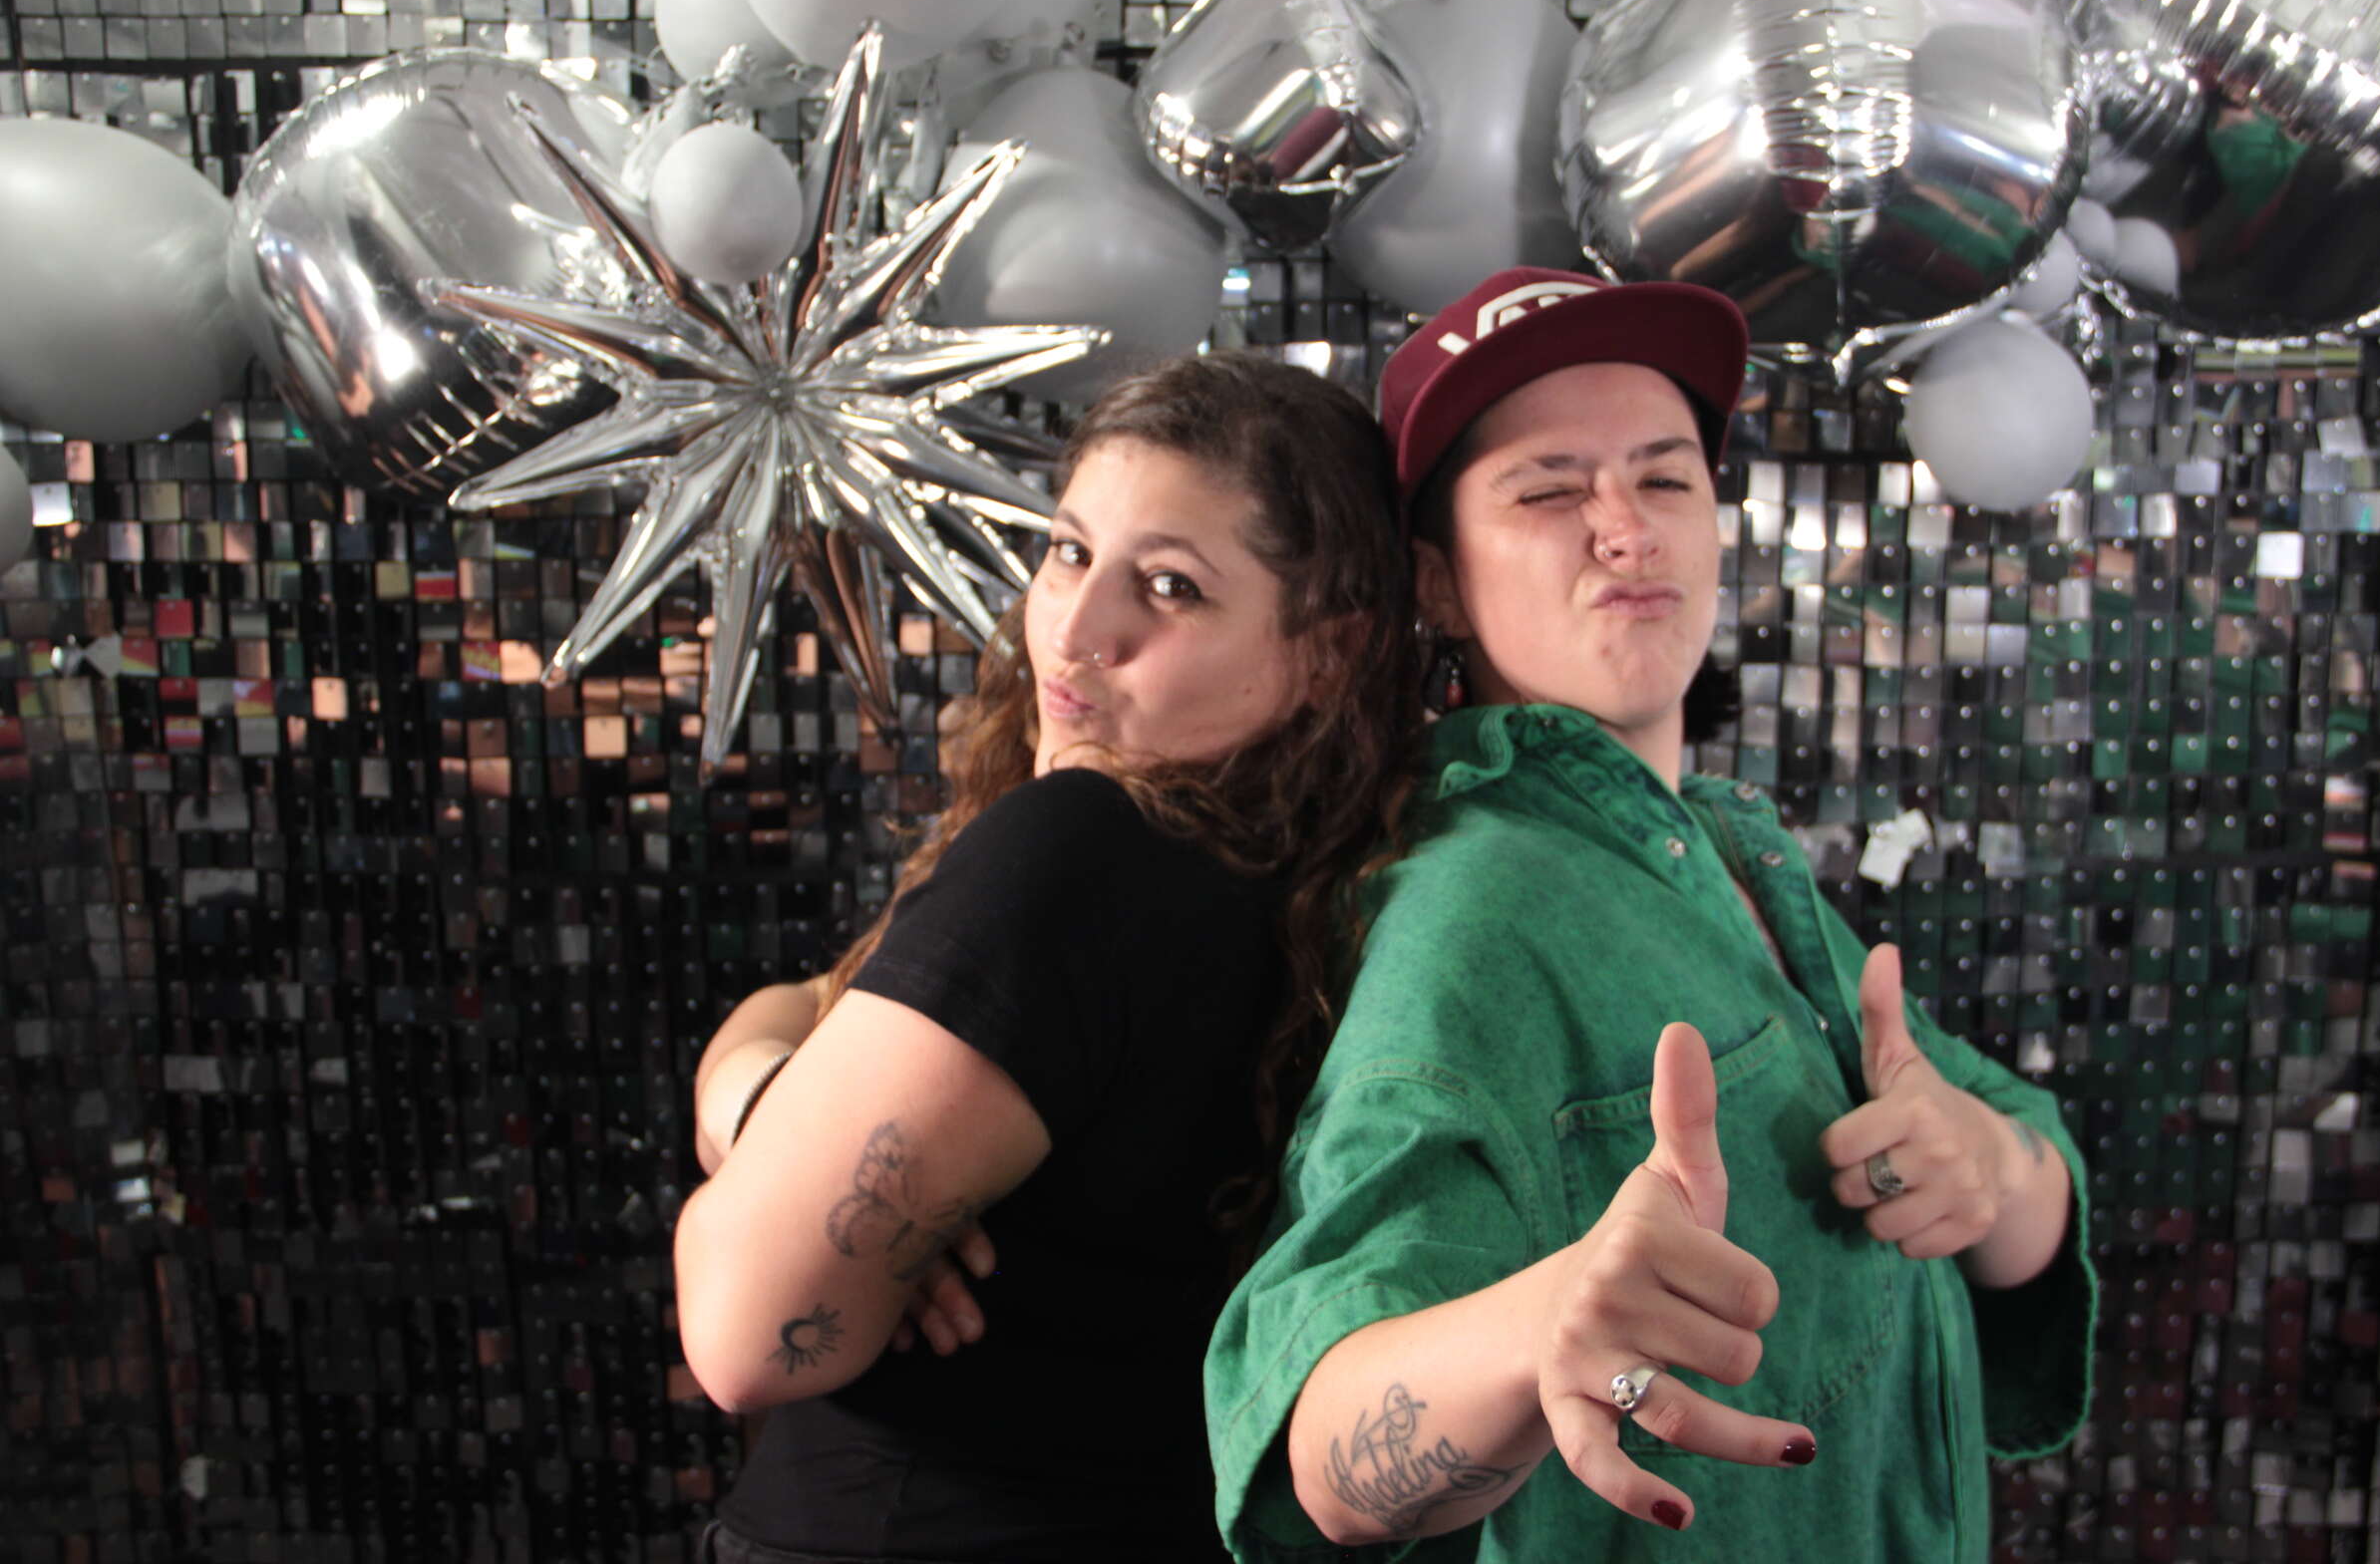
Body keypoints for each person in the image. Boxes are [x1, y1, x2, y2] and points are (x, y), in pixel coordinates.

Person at [1204, 269, 2099, 1561]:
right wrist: (1534, 1332)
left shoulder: (1729, 853)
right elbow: (1325, 1458)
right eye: (1549, 489)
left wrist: (1988, 1167)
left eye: (1666, 479)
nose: (1626, 531)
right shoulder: (1474, 910)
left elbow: (2025, 1185)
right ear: (1438, 585)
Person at [676, 351, 1420, 1563]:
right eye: (1070, 552)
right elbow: (806, 1000)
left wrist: (778, 1141)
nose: (1075, 631)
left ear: (1329, 652)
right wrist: (772, 1110)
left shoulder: (1081, 851)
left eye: (1171, 587)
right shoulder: (1324, 877)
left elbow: (743, 1337)